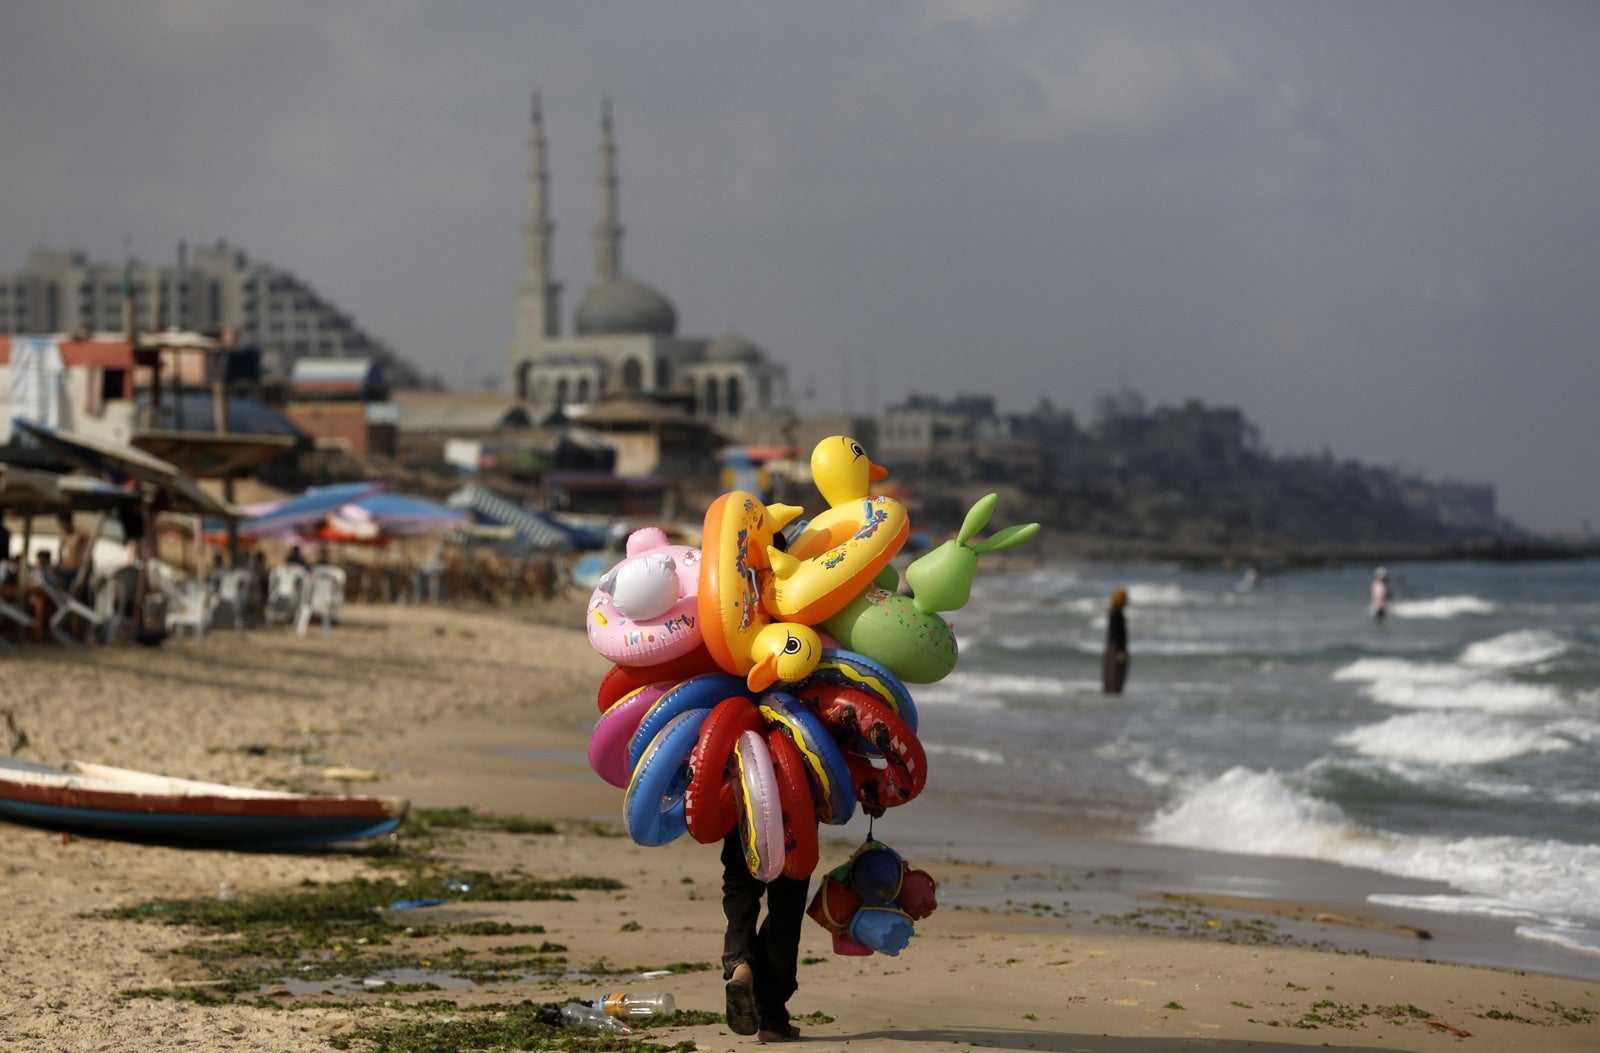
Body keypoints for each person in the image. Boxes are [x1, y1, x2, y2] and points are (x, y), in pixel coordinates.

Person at [720, 799, 884, 1043]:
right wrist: (870, 791)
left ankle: (740, 964)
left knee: (741, 888)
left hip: (741, 794)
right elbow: (841, 759)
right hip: (797, 801)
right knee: (786, 904)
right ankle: (772, 1017)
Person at [1102, 587, 1129, 694]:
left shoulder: (1113, 612)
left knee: (1111, 673)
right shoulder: (1117, 614)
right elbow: (1117, 634)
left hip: (1111, 647)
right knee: (1115, 673)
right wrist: (1120, 650)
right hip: (1116, 648)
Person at [54, 512, 89, 591]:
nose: (62, 527)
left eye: (63, 523)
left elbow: (87, 551)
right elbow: (60, 551)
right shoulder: (64, 536)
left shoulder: (81, 534)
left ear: (69, 521)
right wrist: (61, 562)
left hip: (78, 571)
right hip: (67, 570)